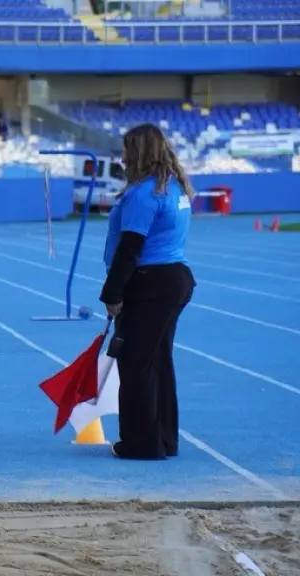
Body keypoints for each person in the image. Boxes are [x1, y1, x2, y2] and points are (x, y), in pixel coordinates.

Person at [100, 123, 196, 461]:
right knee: (157, 361)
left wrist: (112, 294)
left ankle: (141, 444)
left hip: (151, 282)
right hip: (173, 279)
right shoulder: (173, 187)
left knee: (137, 362)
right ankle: (164, 439)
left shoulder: (144, 193)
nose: (123, 156)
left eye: (127, 149)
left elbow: (130, 247)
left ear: (139, 152)